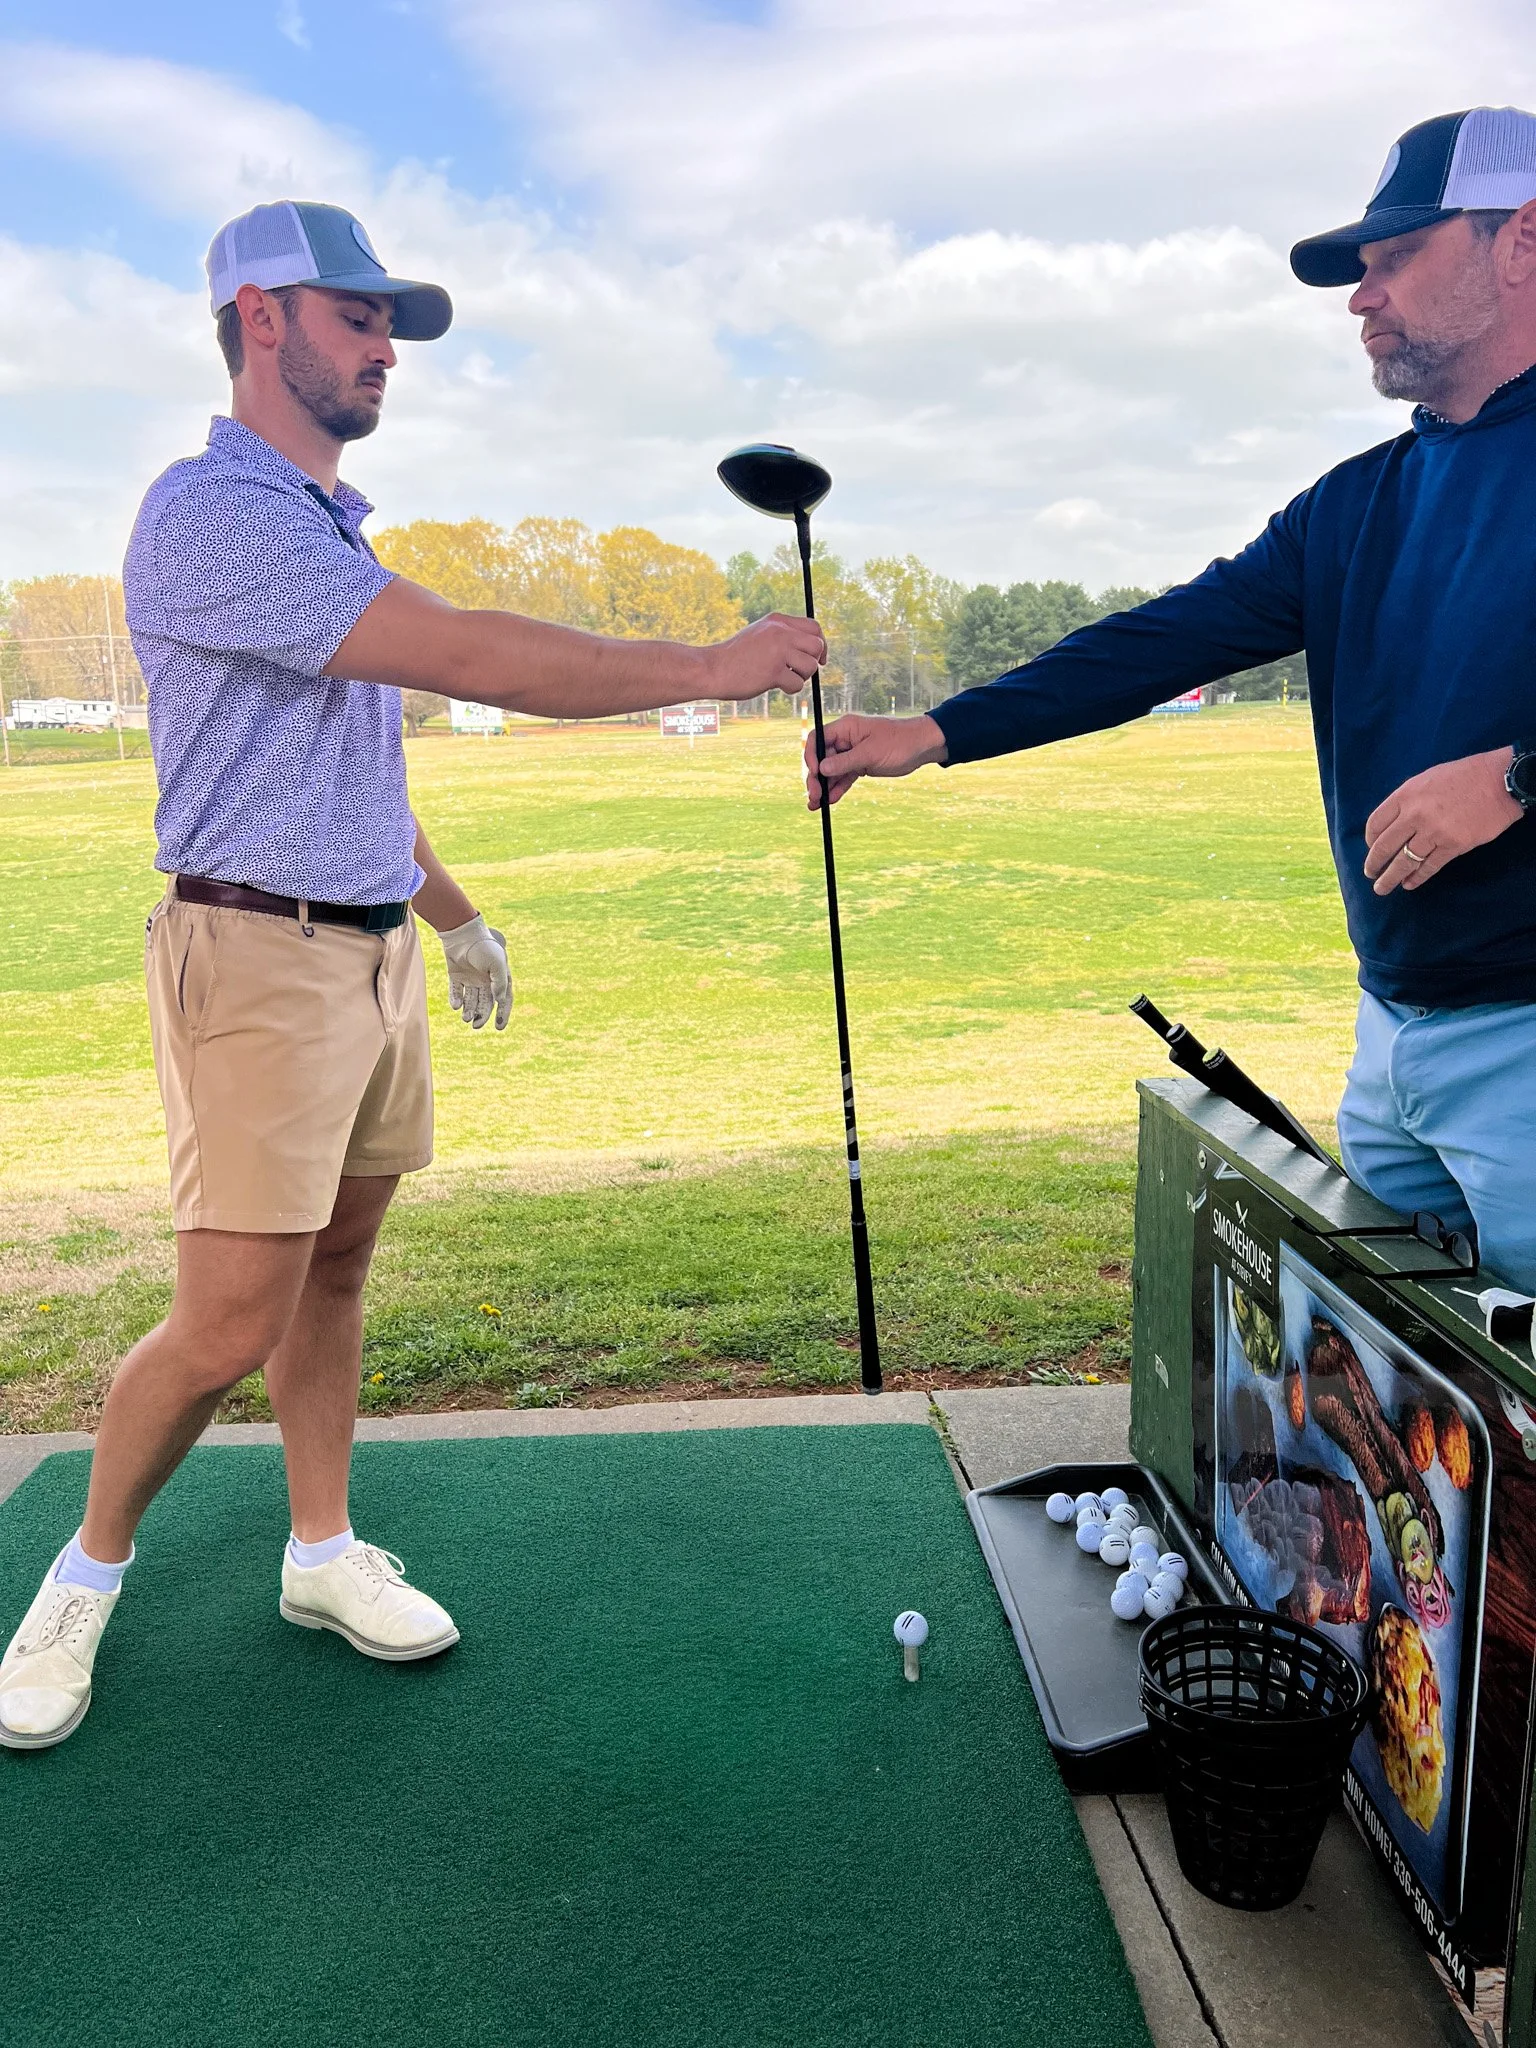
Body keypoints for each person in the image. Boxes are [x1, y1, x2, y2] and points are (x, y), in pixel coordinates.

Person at [0, 201, 823, 1750]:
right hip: (254, 952)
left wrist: (453, 916)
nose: (386, 347)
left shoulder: (326, 526)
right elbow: (477, 658)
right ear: (259, 317)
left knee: (338, 1271)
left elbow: (358, 780)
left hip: (364, 949)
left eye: (393, 325)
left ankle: (320, 1554)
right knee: (228, 1315)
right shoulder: (210, 512)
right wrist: (707, 668)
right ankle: (80, 1582)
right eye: (357, 315)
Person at [805, 106, 1536, 1291]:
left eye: (1395, 256)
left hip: (1527, 1036)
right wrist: (940, 730)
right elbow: (1163, 640)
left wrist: (1516, 774)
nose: (1361, 294)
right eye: (1359, 269)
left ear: (1522, 241)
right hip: (1394, 1032)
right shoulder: (1355, 502)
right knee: (1434, 1420)